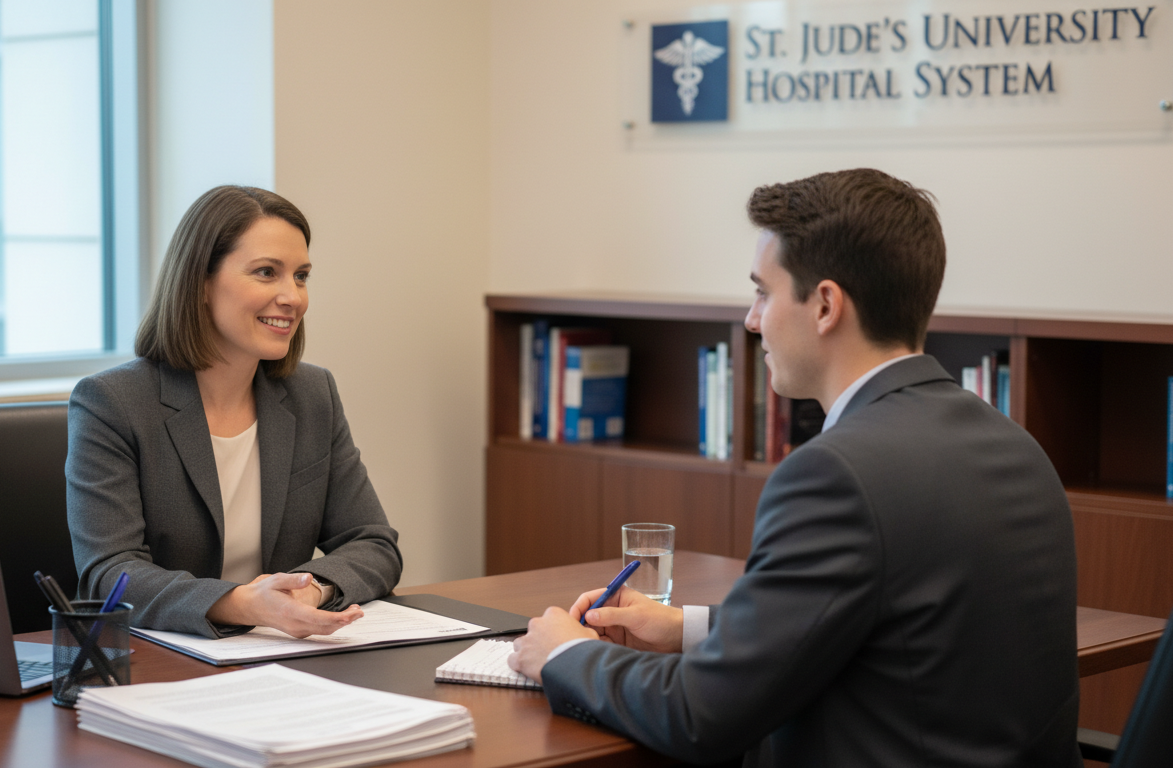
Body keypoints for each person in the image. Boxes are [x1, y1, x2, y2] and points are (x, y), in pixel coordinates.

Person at [508, 169, 1081, 766]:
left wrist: (566, 654)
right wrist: (689, 628)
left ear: (826, 305)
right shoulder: (1017, 448)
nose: (752, 319)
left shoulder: (836, 475)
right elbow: (886, 626)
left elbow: (701, 716)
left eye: (763, 292)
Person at [67, 185, 402, 640]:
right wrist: (243, 604)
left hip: (280, 653)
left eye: (301, 276)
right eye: (267, 272)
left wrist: (308, 591)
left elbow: (373, 542)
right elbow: (110, 573)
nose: (293, 297)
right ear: (201, 283)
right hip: (166, 657)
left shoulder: (312, 394)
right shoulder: (112, 402)